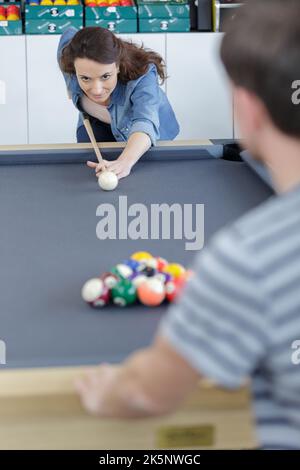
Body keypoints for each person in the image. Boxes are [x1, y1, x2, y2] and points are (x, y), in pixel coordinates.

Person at [75, 0, 300, 449]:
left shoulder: (249, 257)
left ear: (247, 109)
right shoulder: (76, 51)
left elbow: (144, 392)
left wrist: (106, 396)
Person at [58, 27, 179, 179]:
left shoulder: (144, 75)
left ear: (118, 65)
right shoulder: (70, 56)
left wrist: (125, 162)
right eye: (85, 78)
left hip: (142, 133)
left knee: (143, 178)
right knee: (92, 174)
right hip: (94, 123)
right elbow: (68, 33)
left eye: (105, 76)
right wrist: (70, 86)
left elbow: (145, 121)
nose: (96, 90)